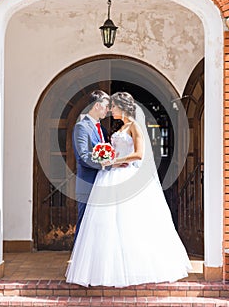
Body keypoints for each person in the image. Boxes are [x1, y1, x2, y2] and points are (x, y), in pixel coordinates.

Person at [66, 92, 192, 287]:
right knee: (104, 226)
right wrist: (110, 160)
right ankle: (101, 268)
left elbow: (139, 154)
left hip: (125, 175)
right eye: (109, 106)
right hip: (108, 176)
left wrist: (115, 161)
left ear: (123, 107)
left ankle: (133, 268)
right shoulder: (118, 127)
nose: (110, 110)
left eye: (113, 107)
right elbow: (90, 154)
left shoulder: (135, 126)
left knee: (129, 224)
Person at [72, 90, 110, 242]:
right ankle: (77, 262)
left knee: (99, 226)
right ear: (97, 106)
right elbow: (82, 157)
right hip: (87, 184)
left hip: (102, 184)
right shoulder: (82, 127)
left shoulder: (103, 129)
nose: (108, 110)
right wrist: (104, 164)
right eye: (106, 106)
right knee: (84, 224)